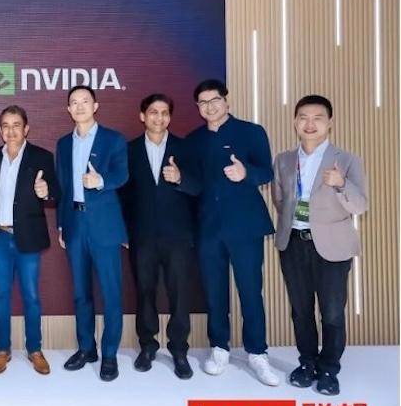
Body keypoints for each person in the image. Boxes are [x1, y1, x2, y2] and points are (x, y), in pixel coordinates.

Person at [272, 95, 368, 395]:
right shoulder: (284, 160)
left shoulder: (347, 160)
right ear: (295, 122)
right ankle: (307, 363)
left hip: (332, 247)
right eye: (303, 117)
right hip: (293, 243)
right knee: (300, 310)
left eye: (317, 118)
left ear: (329, 123)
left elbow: (360, 205)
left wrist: (341, 183)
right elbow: (280, 200)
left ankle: (329, 370)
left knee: (332, 313)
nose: (309, 124)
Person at [186, 79, 279, 386]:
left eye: (214, 100)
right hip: (208, 227)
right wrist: (179, 178)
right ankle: (219, 347)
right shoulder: (194, 140)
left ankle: (257, 352)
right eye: (203, 103)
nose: (209, 107)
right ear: (198, 107)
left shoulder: (251, 132)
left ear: (226, 100)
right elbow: (195, 185)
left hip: (244, 225)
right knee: (214, 291)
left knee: (250, 290)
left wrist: (245, 173)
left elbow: (266, 172)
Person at [0, 105, 59, 375]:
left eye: (16, 125)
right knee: (1, 295)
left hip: (28, 238)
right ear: (0, 130)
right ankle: (2, 350)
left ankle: (35, 349)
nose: (11, 131)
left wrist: (46, 191)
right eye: (6, 126)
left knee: (31, 296)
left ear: (26, 128)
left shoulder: (42, 156)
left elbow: (56, 191)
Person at [118, 94, 198, 379]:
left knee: (179, 295)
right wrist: (124, 230)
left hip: (178, 235)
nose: (159, 118)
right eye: (153, 112)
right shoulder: (128, 150)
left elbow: (199, 187)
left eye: (165, 112)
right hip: (142, 235)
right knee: (145, 292)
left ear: (170, 117)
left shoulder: (185, 148)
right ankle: (148, 346)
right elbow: (122, 195)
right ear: (143, 116)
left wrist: (181, 179)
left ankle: (179, 349)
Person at [55, 85, 128, 381]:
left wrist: (100, 180)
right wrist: (62, 224)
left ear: (95, 106)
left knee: (111, 293)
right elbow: (63, 187)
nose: (80, 106)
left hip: (105, 226)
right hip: (75, 224)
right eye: (74, 102)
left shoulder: (113, 139)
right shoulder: (63, 144)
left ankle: (109, 354)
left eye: (85, 101)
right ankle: (87, 348)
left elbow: (122, 174)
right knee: (81, 293)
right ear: (68, 109)